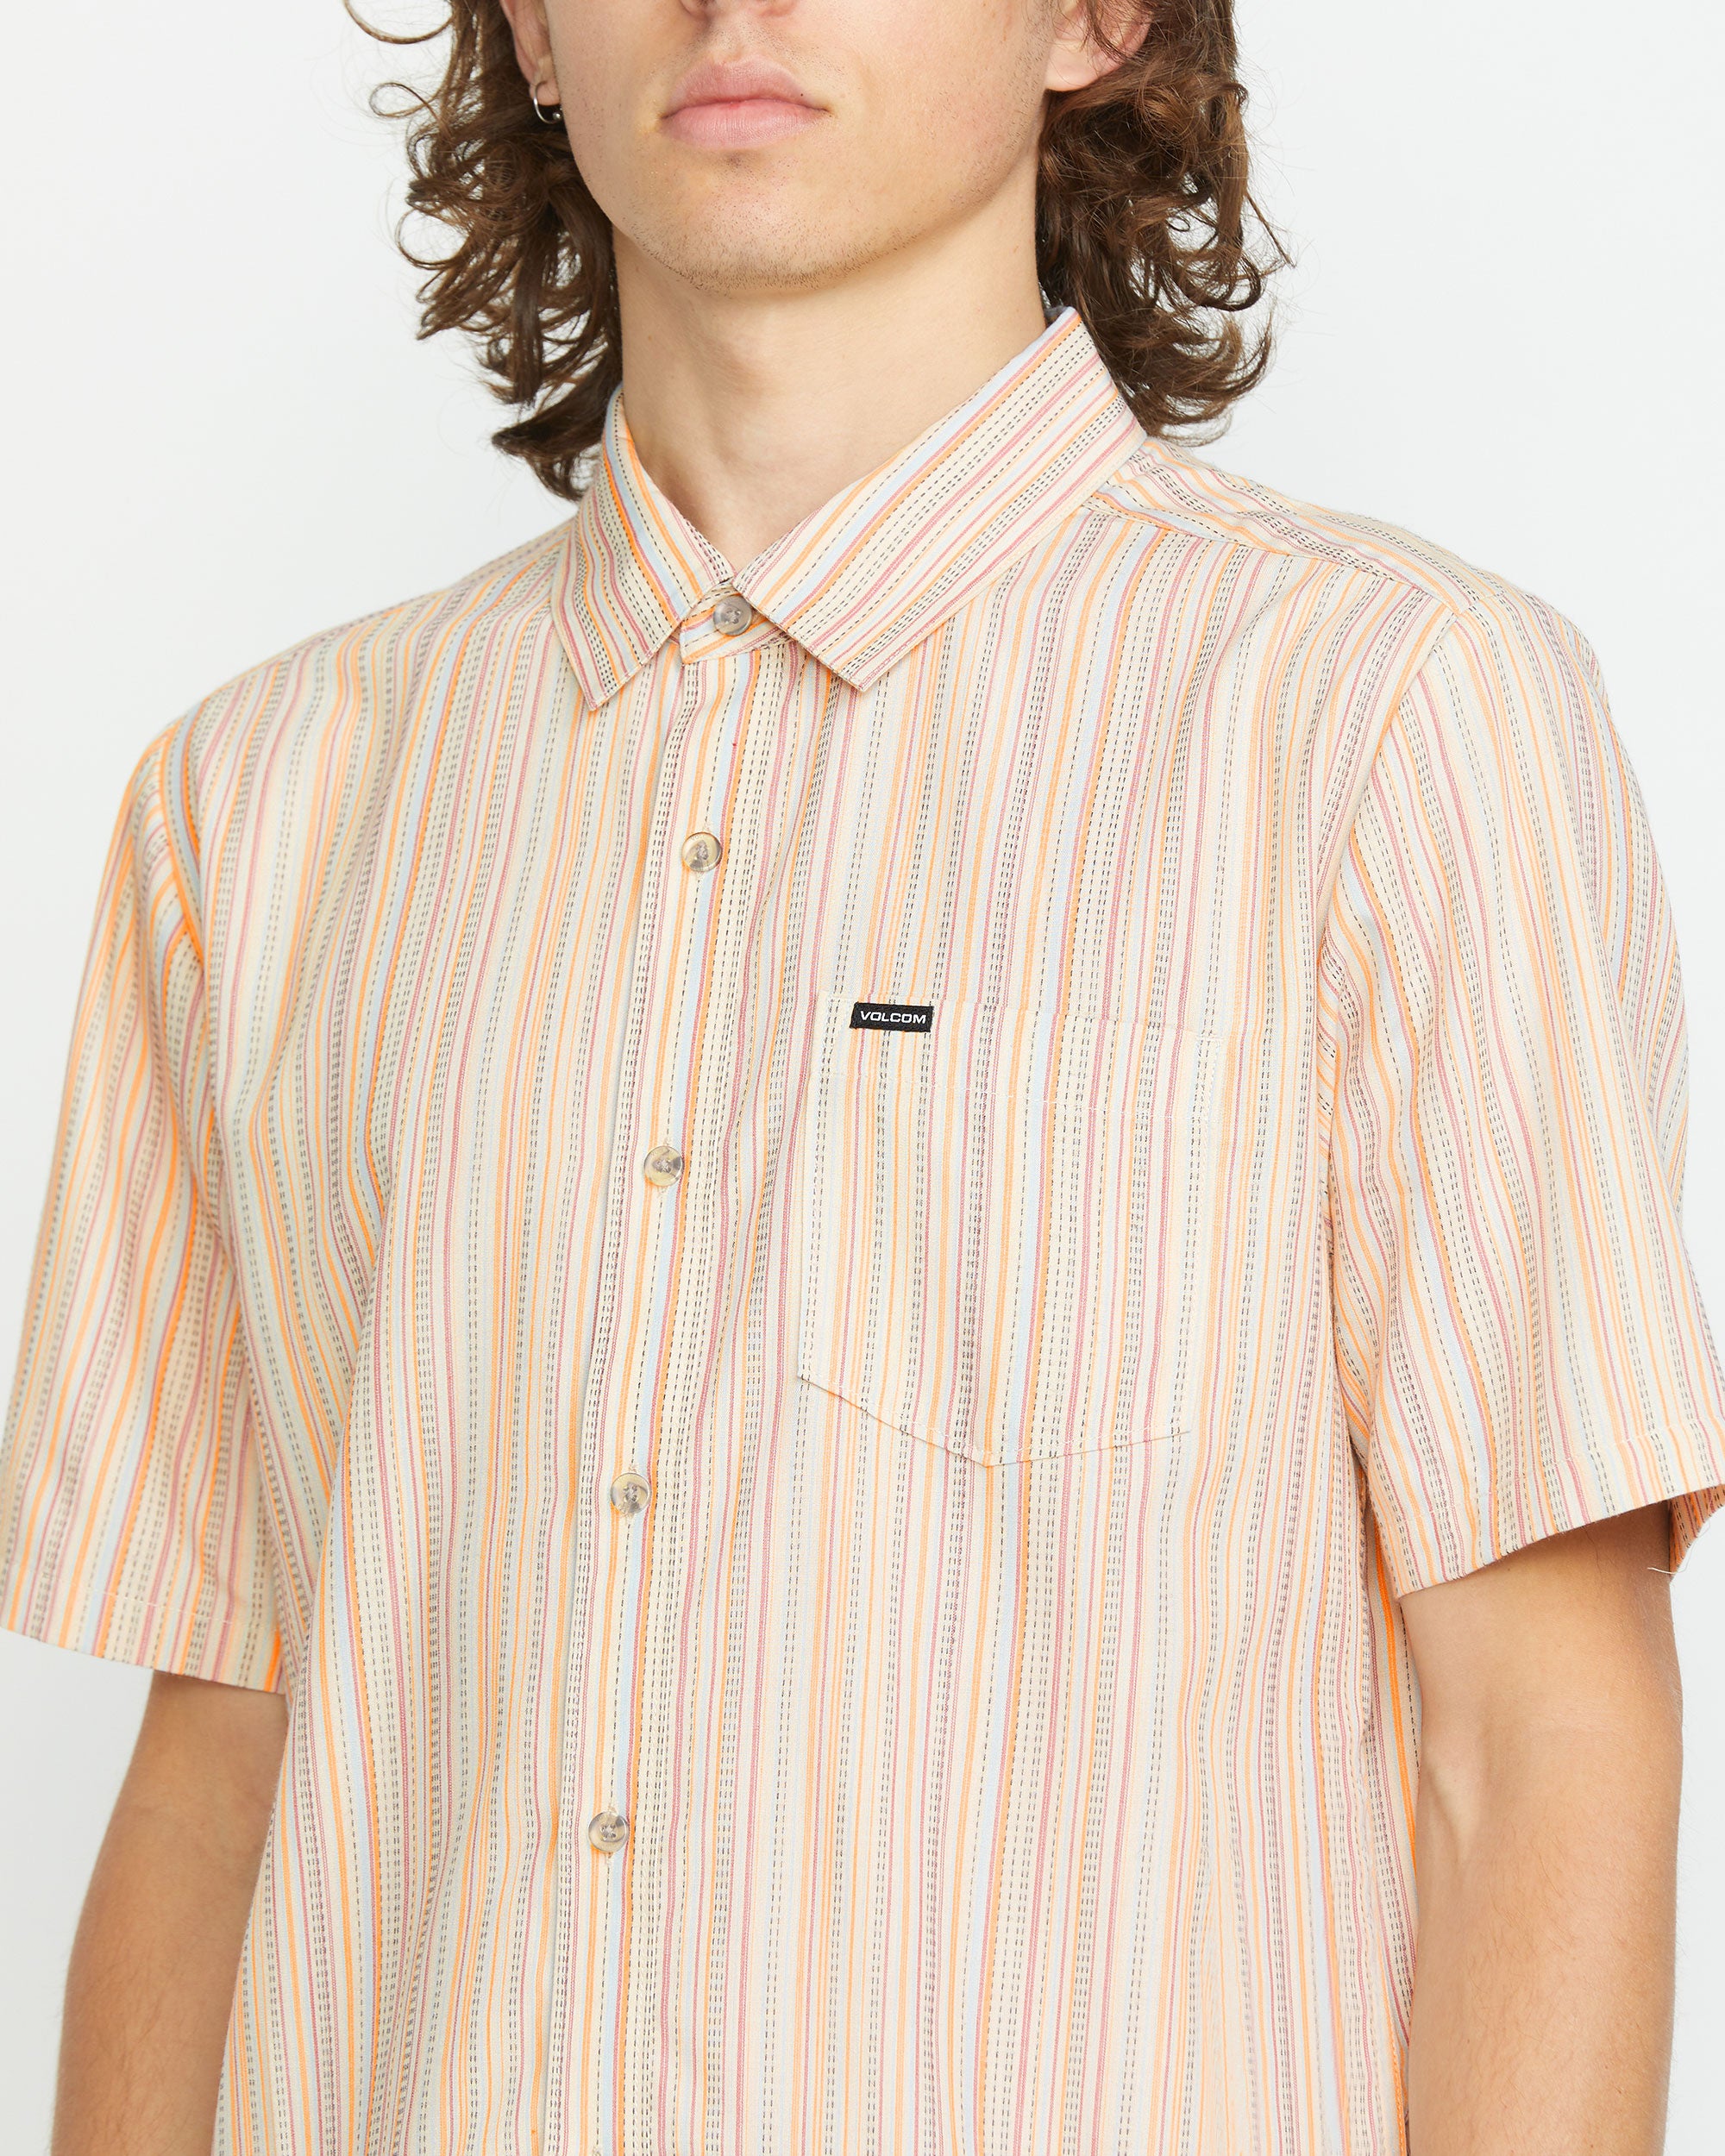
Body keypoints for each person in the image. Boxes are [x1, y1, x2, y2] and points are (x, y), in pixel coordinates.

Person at [3, 0, 1722, 2150]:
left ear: (1094, 18)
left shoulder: (1386, 715)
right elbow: (223, 1759)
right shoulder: (250, 807)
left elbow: (1534, 1735)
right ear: (528, 30)